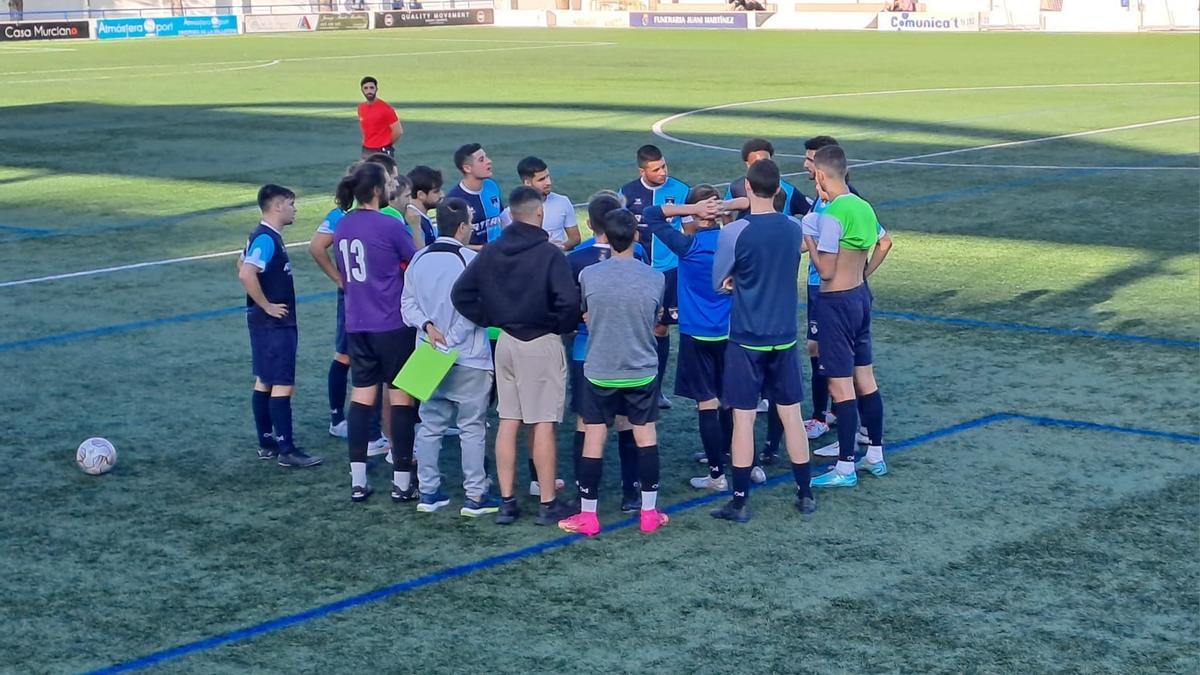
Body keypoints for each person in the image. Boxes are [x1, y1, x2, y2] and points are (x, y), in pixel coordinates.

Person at [451, 186, 581, 526]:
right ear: (538, 213)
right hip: (540, 342)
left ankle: (508, 501)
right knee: (542, 424)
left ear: (510, 214)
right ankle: (548, 502)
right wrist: (558, 325)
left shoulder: (492, 251)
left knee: (509, 420)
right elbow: (568, 302)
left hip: (506, 341)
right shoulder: (549, 254)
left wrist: (492, 318)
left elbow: (461, 294)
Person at [710, 159, 816, 523]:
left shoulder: (734, 232)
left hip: (746, 337)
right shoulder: (792, 227)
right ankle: (805, 494)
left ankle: (739, 501)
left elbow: (718, 282)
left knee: (742, 419)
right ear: (779, 191)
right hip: (783, 336)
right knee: (791, 415)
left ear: (746, 187)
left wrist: (734, 283)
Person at [558, 209, 668, 537]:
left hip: (600, 368)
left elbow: (586, 314)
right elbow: (654, 317)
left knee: (594, 437)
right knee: (645, 436)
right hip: (641, 368)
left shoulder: (590, 275)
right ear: (636, 235)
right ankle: (648, 512)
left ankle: (588, 515)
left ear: (603, 235)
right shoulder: (655, 277)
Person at [401, 198, 499, 517]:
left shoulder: (419, 259)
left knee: (430, 424)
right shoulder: (471, 260)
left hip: (428, 356)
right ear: (461, 227)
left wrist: (428, 327)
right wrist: (451, 341)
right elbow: (475, 309)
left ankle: (428, 492)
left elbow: (407, 306)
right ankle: (475, 495)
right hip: (468, 358)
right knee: (472, 427)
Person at [642, 186, 743, 492]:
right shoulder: (736, 243)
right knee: (733, 402)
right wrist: (725, 208)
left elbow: (651, 215)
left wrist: (690, 209)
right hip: (731, 332)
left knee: (706, 404)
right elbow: (760, 205)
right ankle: (741, 463)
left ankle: (716, 474)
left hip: (696, 333)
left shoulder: (688, 246)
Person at [332, 162, 420, 502]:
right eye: (388, 182)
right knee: (400, 398)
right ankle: (401, 482)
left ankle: (358, 480)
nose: (391, 186)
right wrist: (414, 225)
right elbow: (416, 261)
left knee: (362, 398)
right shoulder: (388, 225)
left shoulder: (342, 225)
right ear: (375, 190)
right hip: (392, 324)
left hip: (358, 323)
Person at [804, 145, 889, 488]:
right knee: (865, 378)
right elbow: (885, 243)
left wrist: (808, 236)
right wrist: (864, 272)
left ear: (821, 175)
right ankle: (875, 455)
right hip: (859, 297)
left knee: (841, 386)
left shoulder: (833, 213)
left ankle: (845, 466)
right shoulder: (862, 206)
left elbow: (824, 270)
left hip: (835, 303)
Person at [566, 191, 648, 513]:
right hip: (628, 348)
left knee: (587, 424)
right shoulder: (637, 252)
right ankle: (631, 492)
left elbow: (570, 308)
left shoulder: (575, 259)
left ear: (591, 224)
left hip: (588, 352)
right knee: (629, 421)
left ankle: (584, 492)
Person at [307, 164, 390, 459]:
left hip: (360, 295)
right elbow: (317, 247)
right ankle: (340, 420)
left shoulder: (353, 216)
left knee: (356, 358)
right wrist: (339, 279)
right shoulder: (348, 216)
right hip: (364, 297)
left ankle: (362, 426)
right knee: (345, 355)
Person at [238, 184, 322, 468]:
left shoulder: (259, 235)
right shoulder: (268, 239)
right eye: (291, 203)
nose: (294, 209)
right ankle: (286, 448)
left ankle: (266, 443)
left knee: (265, 378)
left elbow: (241, 264)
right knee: (283, 383)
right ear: (277, 206)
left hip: (262, 322)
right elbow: (246, 273)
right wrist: (267, 305)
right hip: (275, 322)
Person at [619, 144, 690, 410]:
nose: (663, 172)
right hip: (637, 270)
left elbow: (690, 228)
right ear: (642, 170)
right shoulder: (626, 193)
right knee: (634, 327)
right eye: (656, 169)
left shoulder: (681, 190)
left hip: (669, 271)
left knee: (661, 327)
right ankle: (629, 385)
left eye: (664, 166)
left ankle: (656, 390)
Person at [725, 138, 811, 220]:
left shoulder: (789, 191)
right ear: (747, 164)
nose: (762, 166)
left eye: (766, 161)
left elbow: (810, 211)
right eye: (756, 163)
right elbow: (725, 212)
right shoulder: (736, 188)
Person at [513, 156, 580, 251]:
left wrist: (560, 247)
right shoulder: (514, 211)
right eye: (541, 179)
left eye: (547, 176)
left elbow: (575, 238)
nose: (548, 182)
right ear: (527, 183)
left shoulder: (563, 202)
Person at [445, 143, 505, 249]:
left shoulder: (491, 185)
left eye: (486, 157)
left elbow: (501, 218)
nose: (489, 161)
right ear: (467, 168)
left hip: (498, 254)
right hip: (473, 260)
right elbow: (451, 243)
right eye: (482, 159)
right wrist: (484, 249)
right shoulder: (454, 200)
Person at [357, 76, 402, 159]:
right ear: (362, 90)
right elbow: (365, 128)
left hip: (382, 150)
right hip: (366, 149)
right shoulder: (361, 108)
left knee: (385, 172)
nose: (369, 91)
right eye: (366, 88)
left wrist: (386, 144)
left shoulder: (386, 108)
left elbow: (398, 131)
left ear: (376, 89)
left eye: (371, 88)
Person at [405, 165, 443, 249]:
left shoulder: (421, 217)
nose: (441, 195)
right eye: (436, 191)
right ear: (421, 195)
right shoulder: (412, 222)